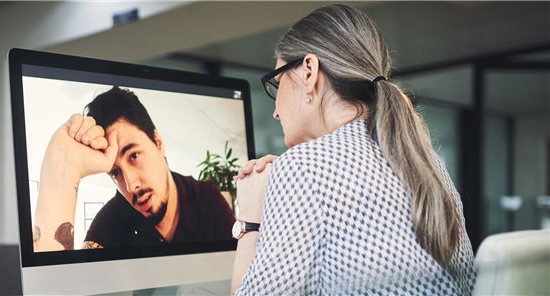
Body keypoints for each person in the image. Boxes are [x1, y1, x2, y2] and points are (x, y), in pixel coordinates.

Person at [231, 4, 475, 295]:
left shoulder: (303, 166)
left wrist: (250, 217)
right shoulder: (426, 160)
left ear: (309, 71)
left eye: (277, 82)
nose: (275, 112)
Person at [33, 86, 235, 251]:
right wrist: (64, 166)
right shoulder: (108, 224)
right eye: (115, 172)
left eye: (134, 156)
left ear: (158, 142)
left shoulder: (206, 198)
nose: (130, 185)